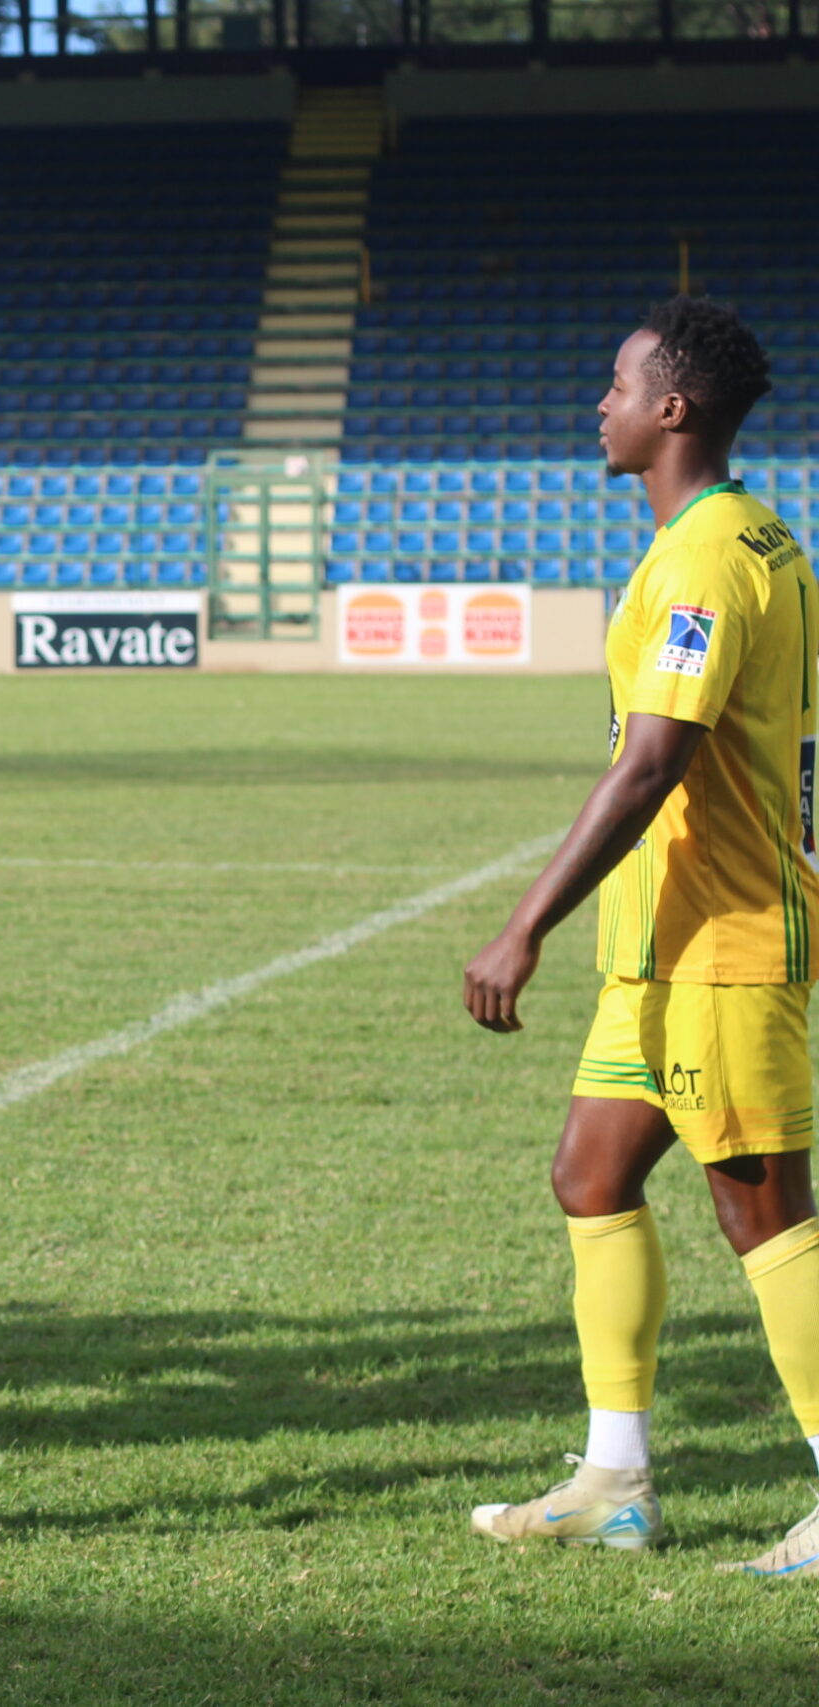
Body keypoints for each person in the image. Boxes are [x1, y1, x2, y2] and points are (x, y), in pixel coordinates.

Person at [463, 297, 819, 1577]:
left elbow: (652, 760)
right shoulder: (728, 540)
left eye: (614, 383)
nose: (595, 403)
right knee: (591, 1175)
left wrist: (521, 925)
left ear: (673, 408)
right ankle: (613, 1480)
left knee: (762, 1208)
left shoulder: (711, 558)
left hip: (722, 937)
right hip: (660, 947)